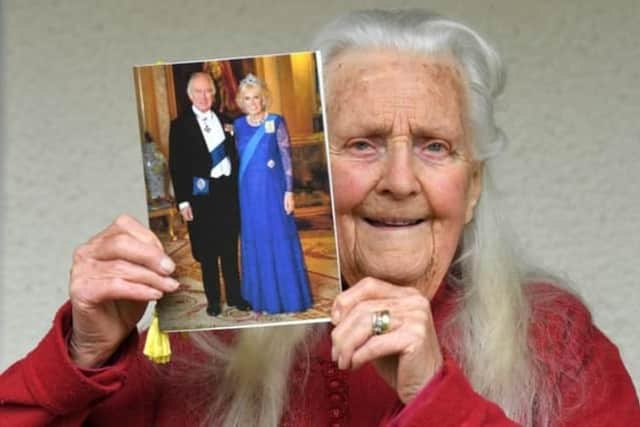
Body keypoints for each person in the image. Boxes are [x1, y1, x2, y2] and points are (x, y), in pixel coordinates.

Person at [1, 9, 639, 427]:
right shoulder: (201, 339)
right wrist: (82, 358)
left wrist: (434, 398)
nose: (397, 181)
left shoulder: (554, 338)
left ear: (471, 188)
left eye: (434, 146)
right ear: (317, 173)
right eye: (361, 144)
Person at [168, 71, 251, 316]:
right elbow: (177, 166)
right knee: (207, 251)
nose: (204, 96)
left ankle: (235, 296)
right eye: (199, 92)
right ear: (190, 95)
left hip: (227, 193)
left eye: (208, 91)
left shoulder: (227, 120)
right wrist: (183, 201)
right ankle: (214, 299)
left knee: (228, 248)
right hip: (201, 195)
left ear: (214, 94)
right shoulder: (180, 125)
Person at [232, 74, 313, 314]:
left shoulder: (276, 121)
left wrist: (289, 191)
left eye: (257, 97)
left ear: (264, 97)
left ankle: (288, 298)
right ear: (241, 101)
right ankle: (262, 300)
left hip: (274, 190)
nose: (253, 102)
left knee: (278, 235)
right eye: (248, 98)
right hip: (248, 194)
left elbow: (287, 158)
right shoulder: (237, 126)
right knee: (256, 238)